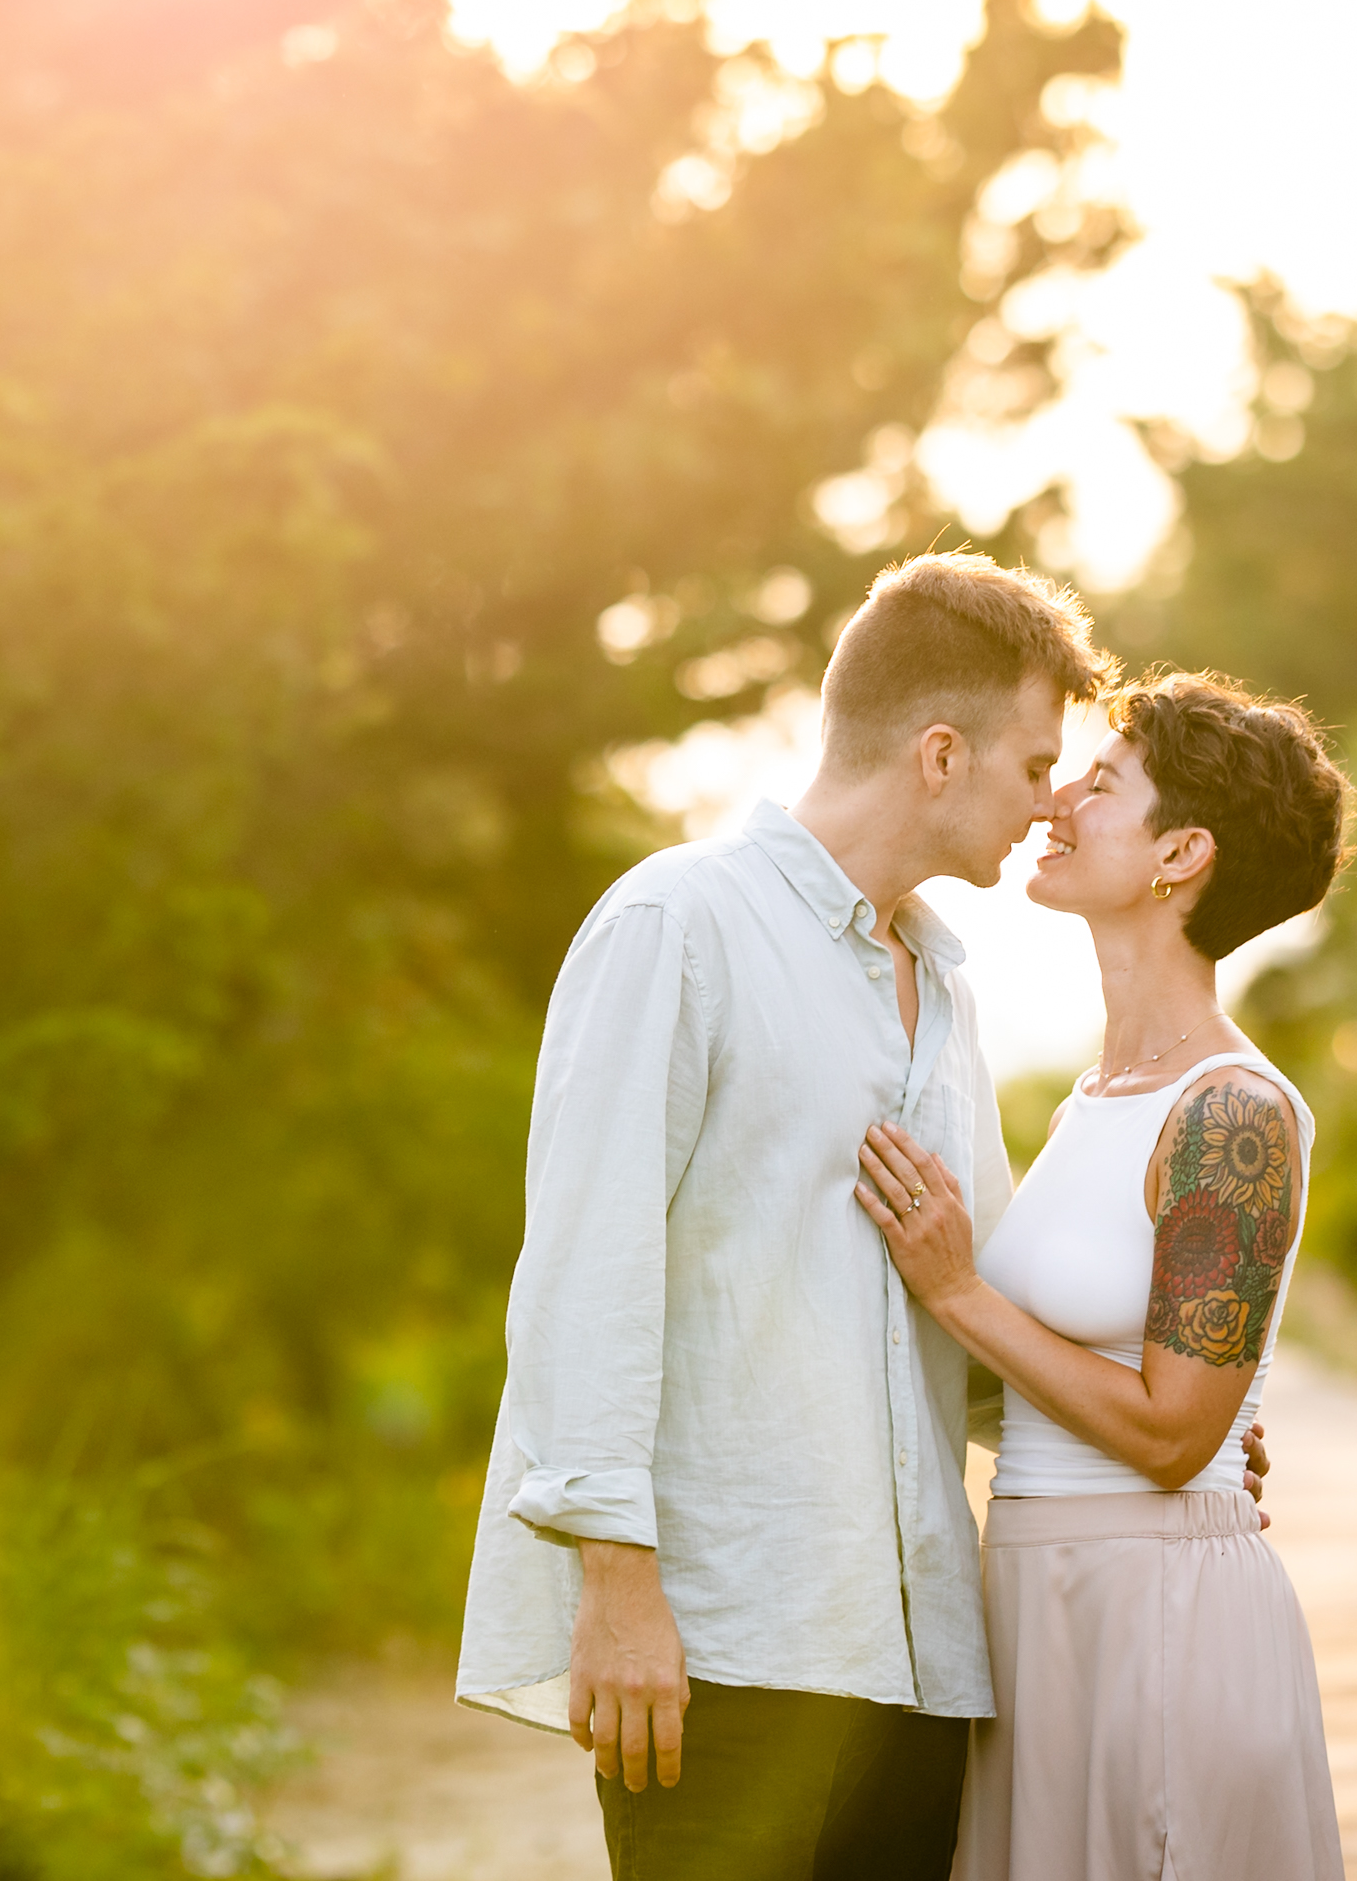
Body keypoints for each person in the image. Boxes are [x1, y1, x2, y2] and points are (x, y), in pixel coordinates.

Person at [457, 554, 1263, 1881]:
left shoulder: (944, 989)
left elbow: (970, 1311)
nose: (1051, 800)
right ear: (939, 753)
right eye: (1031, 762)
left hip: (923, 1662)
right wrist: (614, 1588)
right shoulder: (678, 923)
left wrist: (1164, 1425)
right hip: (725, 1645)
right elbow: (588, 1270)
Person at [855, 671, 1355, 1881]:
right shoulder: (1096, 1095)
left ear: (1180, 852)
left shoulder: (1229, 1111)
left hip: (1158, 1621)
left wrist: (958, 1291)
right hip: (1040, 1606)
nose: (1056, 800)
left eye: (1102, 781)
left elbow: (1174, 1434)